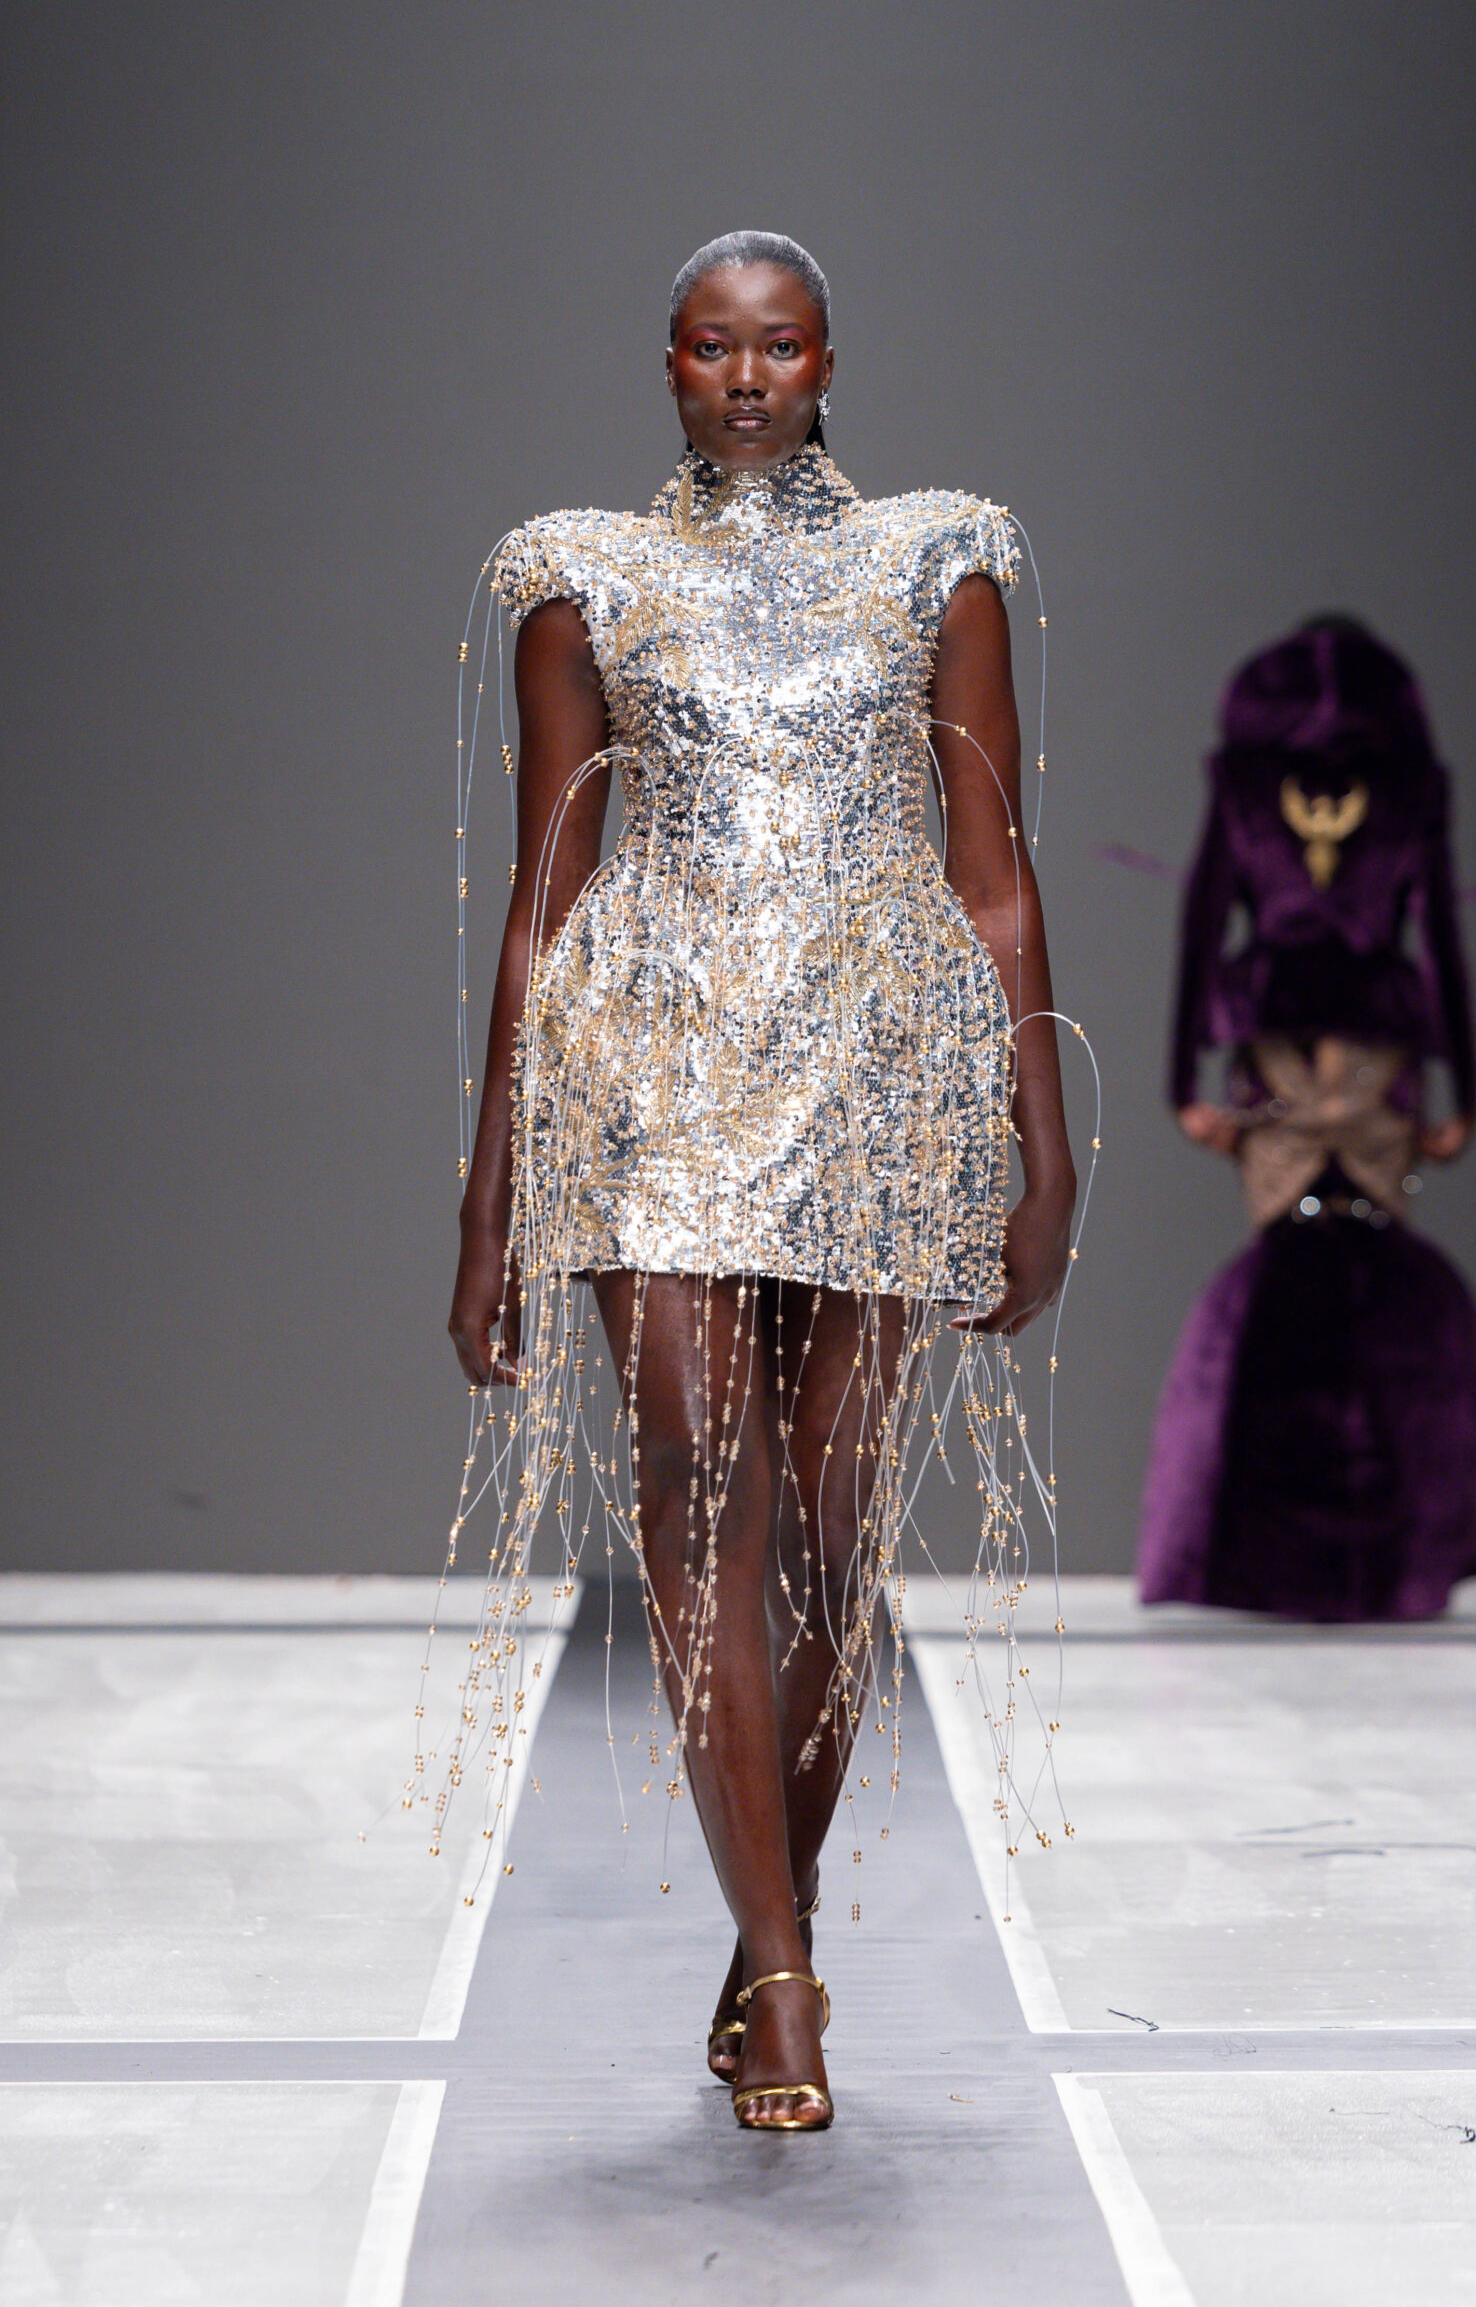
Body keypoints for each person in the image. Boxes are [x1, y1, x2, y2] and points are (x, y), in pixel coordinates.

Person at [438, 232, 1077, 2130]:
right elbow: (544, 895)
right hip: (646, 1082)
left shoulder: (940, 558)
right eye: (711, 347)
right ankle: (786, 1979)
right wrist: (488, 1193)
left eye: (777, 346)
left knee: (828, 1532)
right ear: (666, 364)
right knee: (689, 1486)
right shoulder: (579, 576)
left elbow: (992, 871)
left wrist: (1037, 1142)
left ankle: (759, 1920)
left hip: (875, 1078)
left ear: (823, 362)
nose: (743, 377)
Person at [1139, 615, 1476, 1622]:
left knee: (1291, 1272)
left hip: (1277, 1049)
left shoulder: (1247, 784)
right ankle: (1387, 1551)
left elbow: (1201, 923)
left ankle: (1270, 1553)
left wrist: (1182, 1085)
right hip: (1379, 1053)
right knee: (1370, 1275)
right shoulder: (1408, 786)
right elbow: (1438, 934)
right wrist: (1465, 1093)